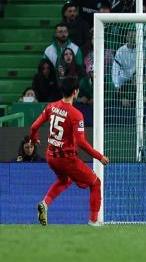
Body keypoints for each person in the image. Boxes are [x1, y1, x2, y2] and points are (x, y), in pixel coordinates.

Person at [30, 77, 110, 226]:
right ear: (76, 92)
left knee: (64, 180)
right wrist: (99, 156)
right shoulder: (76, 115)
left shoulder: (51, 107)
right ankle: (94, 222)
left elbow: (34, 127)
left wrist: (34, 140)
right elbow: (81, 142)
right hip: (67, 160)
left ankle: (45, 203)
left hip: (51, 157)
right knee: (95, 183)